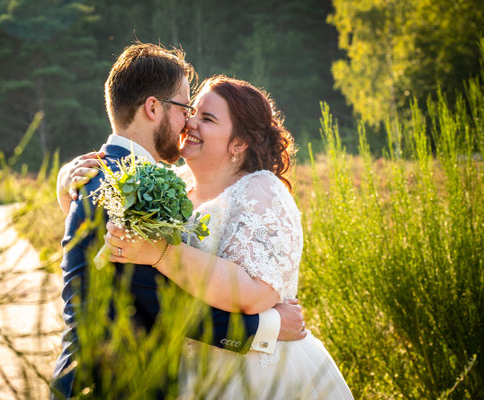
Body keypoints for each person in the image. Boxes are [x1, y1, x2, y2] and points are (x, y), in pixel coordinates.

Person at [51, 43, 306, 399]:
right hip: (110, 386)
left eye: (203, 116)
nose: (189, 122)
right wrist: (268, 326)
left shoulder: (117, 180)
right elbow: (165, 303)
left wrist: (65, 186)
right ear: (153, 108)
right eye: (187, 109)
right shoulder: (120, 189)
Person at [99, 76, 354, 398]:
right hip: (184, 369)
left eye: (208, 119)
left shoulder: (261, 191)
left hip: (254, 374)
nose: (190, 122)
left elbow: (254, 294)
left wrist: (161, 253)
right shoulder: (171, 183)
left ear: (239, 143)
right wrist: (67, 188)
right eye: (193, 112)